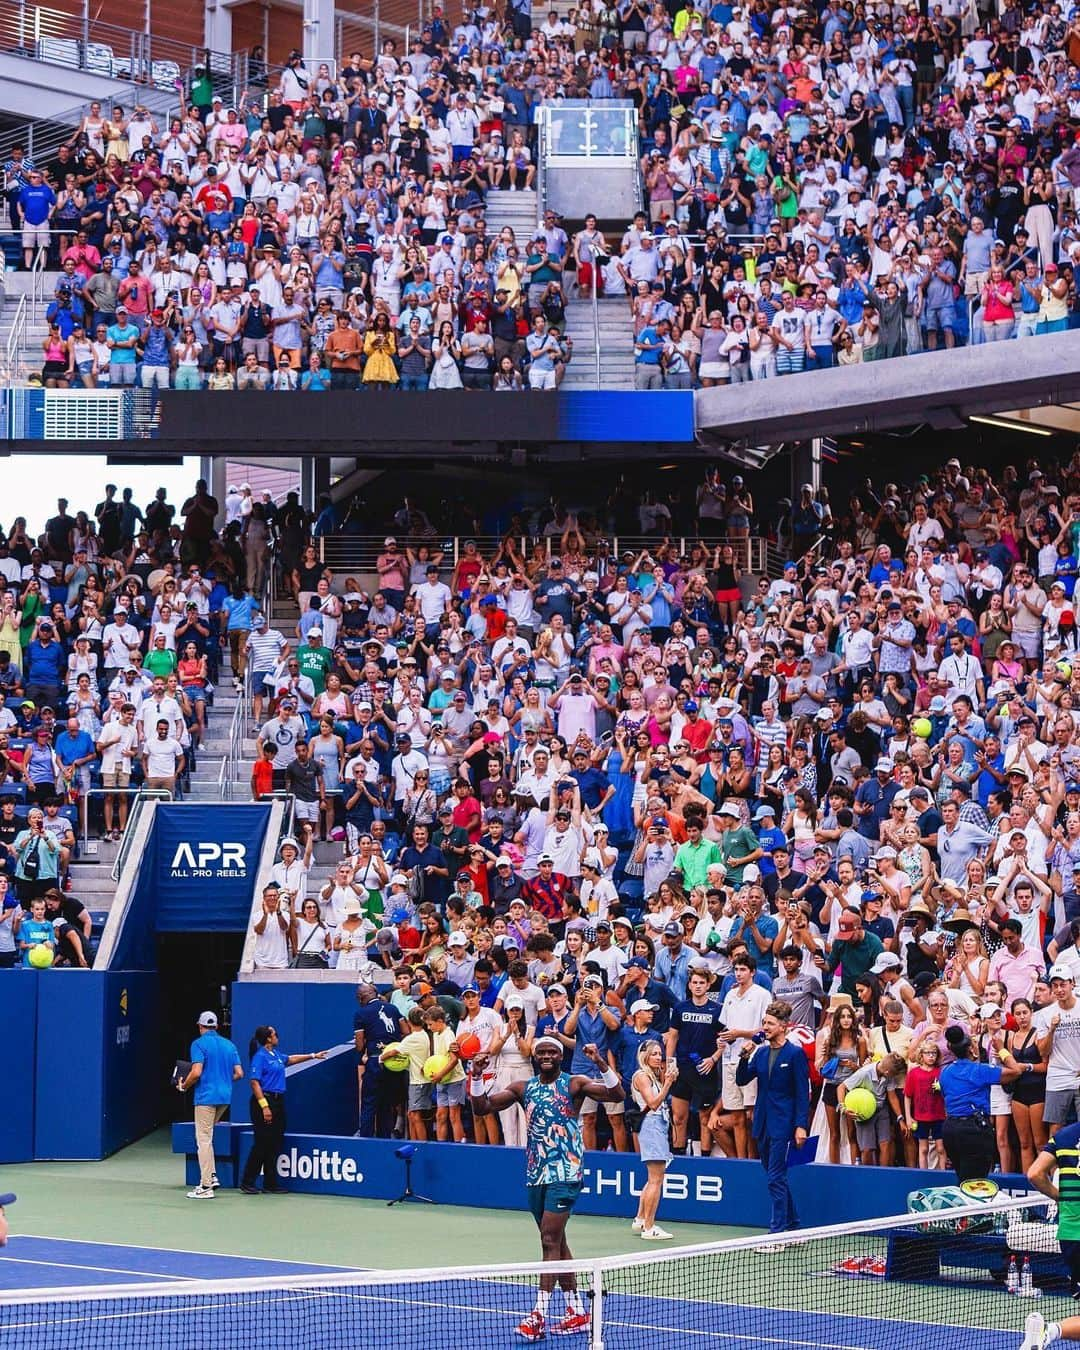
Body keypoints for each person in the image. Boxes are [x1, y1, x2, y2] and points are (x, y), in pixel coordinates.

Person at [469, 1036, 624, 1341]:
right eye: (542, 1052)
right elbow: (481, 1108)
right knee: (557, 1242)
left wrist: (600, 1062)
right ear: (535, 1057)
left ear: (561, 1055)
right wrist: (475, 1076)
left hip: (566, 1172)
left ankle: (538, 1315)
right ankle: (576, 1310)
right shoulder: (523, 1089)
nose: (547, 1055)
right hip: (536, 1173)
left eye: (553, 1051)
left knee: (548, 1239)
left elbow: (616, 1093)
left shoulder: (575, 1083)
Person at [734, 1000, 810, 1242]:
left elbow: (801, 1093)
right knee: (773, 1173)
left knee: (775, 1176)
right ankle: (794, 1226)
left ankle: (776, 1233)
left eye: (770, 1023)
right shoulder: (761, 1052)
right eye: (764, 1022)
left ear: (783, 1026)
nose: (765, 1027)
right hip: (763, 1122)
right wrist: (744, 1057)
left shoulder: (795, 1054)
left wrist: (801, 1126)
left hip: (784, 1123)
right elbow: (742, 1080)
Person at [240, 1024, 327, 1194]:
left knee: (275, 1143)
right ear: (268, 1039)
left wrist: (313, 1056)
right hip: (264, 1102)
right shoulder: (260, 1057)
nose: (278, 1036)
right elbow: (254, 1082)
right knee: (261, 1144)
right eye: (275, 1034)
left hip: (279, 1102)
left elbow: (291, 1059)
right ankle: (247, 1182)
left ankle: (270, 1183)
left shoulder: (276, 1055)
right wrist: (264, 1106)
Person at [938, 1022, 1023, 1182]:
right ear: (971, 1049)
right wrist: (1001, 1049)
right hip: (973, 1131)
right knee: (975, 1182)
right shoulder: (980, 1070)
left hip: (951, 1129)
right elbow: (1016, 1071)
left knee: (963, 1178)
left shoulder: (945, 1071)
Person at [178, 1011, 243, 1199]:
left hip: (206, 1098)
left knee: (203, 1139)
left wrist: (184, 1085)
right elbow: (239, 1073)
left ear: (200, 1026)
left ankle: (206, 1186)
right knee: (208, 1136)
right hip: (224, 1098)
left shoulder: (198, 1044)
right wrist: (223, 1080)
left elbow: (196, 1072)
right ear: (216, 1026)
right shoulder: (229, 1045)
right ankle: (212, 1176)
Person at [630, 1040, 677, 1240]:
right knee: (656, 1180)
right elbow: (654, 1104)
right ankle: (649, 1227)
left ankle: (640, 1219)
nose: (659, 1057)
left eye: (660, 1054)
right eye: (654, 1054)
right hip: (652, 1126)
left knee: (653, 1179)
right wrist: (668, 1083)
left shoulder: (652, 1076)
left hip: (658, 1126)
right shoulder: (642, 1076)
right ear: (645, 1057)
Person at [353, 983, 405, 1138]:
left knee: (369, 1105)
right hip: (394, 1064)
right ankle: (384, 1140)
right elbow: (406, 1031)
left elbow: (359, 1044)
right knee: (386, 1105)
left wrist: (366, 1051)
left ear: (361, 997)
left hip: (375, 1063)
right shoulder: (392, 1008)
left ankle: (366, 1141)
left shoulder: (361, 1014)